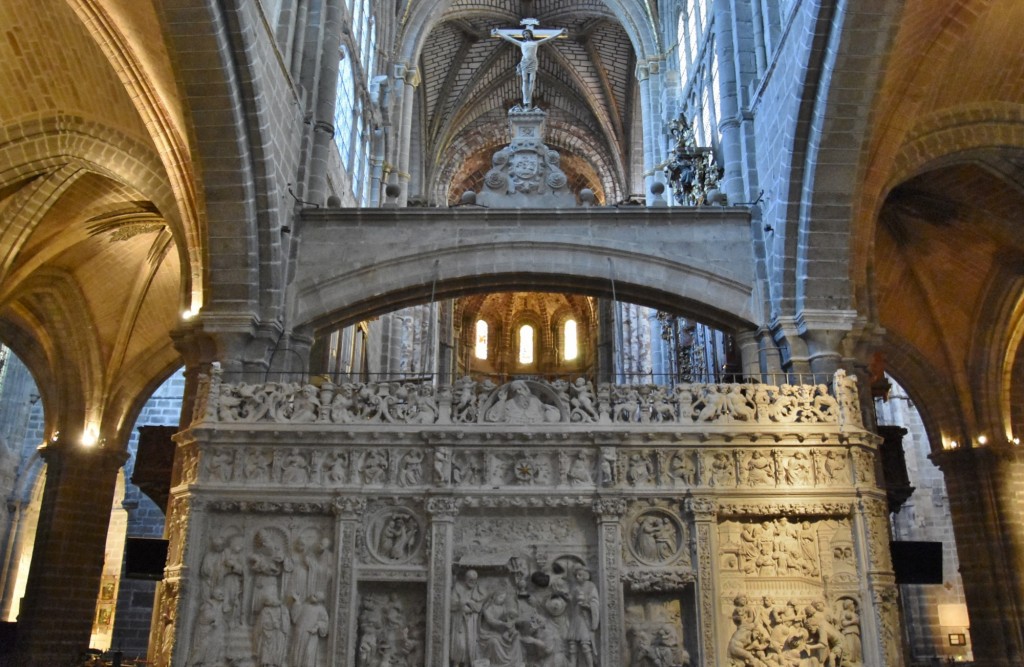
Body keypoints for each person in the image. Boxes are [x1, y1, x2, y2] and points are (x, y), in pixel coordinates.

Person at [491, 27, 567, 107]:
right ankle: (525, 100)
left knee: (531, 81)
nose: (525, 35)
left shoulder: (536, 43)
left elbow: (548, 39)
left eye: (526, 33)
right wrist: (499, 33)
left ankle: (528, 97)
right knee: (524, 80)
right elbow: (510, 39)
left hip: (533, 63)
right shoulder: (522, 43)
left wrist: (560, 33)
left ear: (530, 34)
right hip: (524, 63)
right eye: (524, 34)